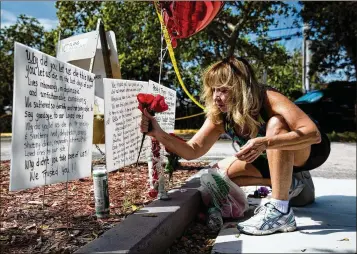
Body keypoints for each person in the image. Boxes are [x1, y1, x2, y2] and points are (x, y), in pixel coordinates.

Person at [140, 56, 331, 235]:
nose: (216, 96)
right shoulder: (221, 114)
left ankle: (281, 210)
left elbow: (313, 134)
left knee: (275, 124)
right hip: (269, 153)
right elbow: (192, 150)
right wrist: (159, 133)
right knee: (220, 175)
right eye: (214, 89)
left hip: (307, 150)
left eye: (223, 89)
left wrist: (265, 142)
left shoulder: (267, 97)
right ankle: (291, 183)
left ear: (241, 88)